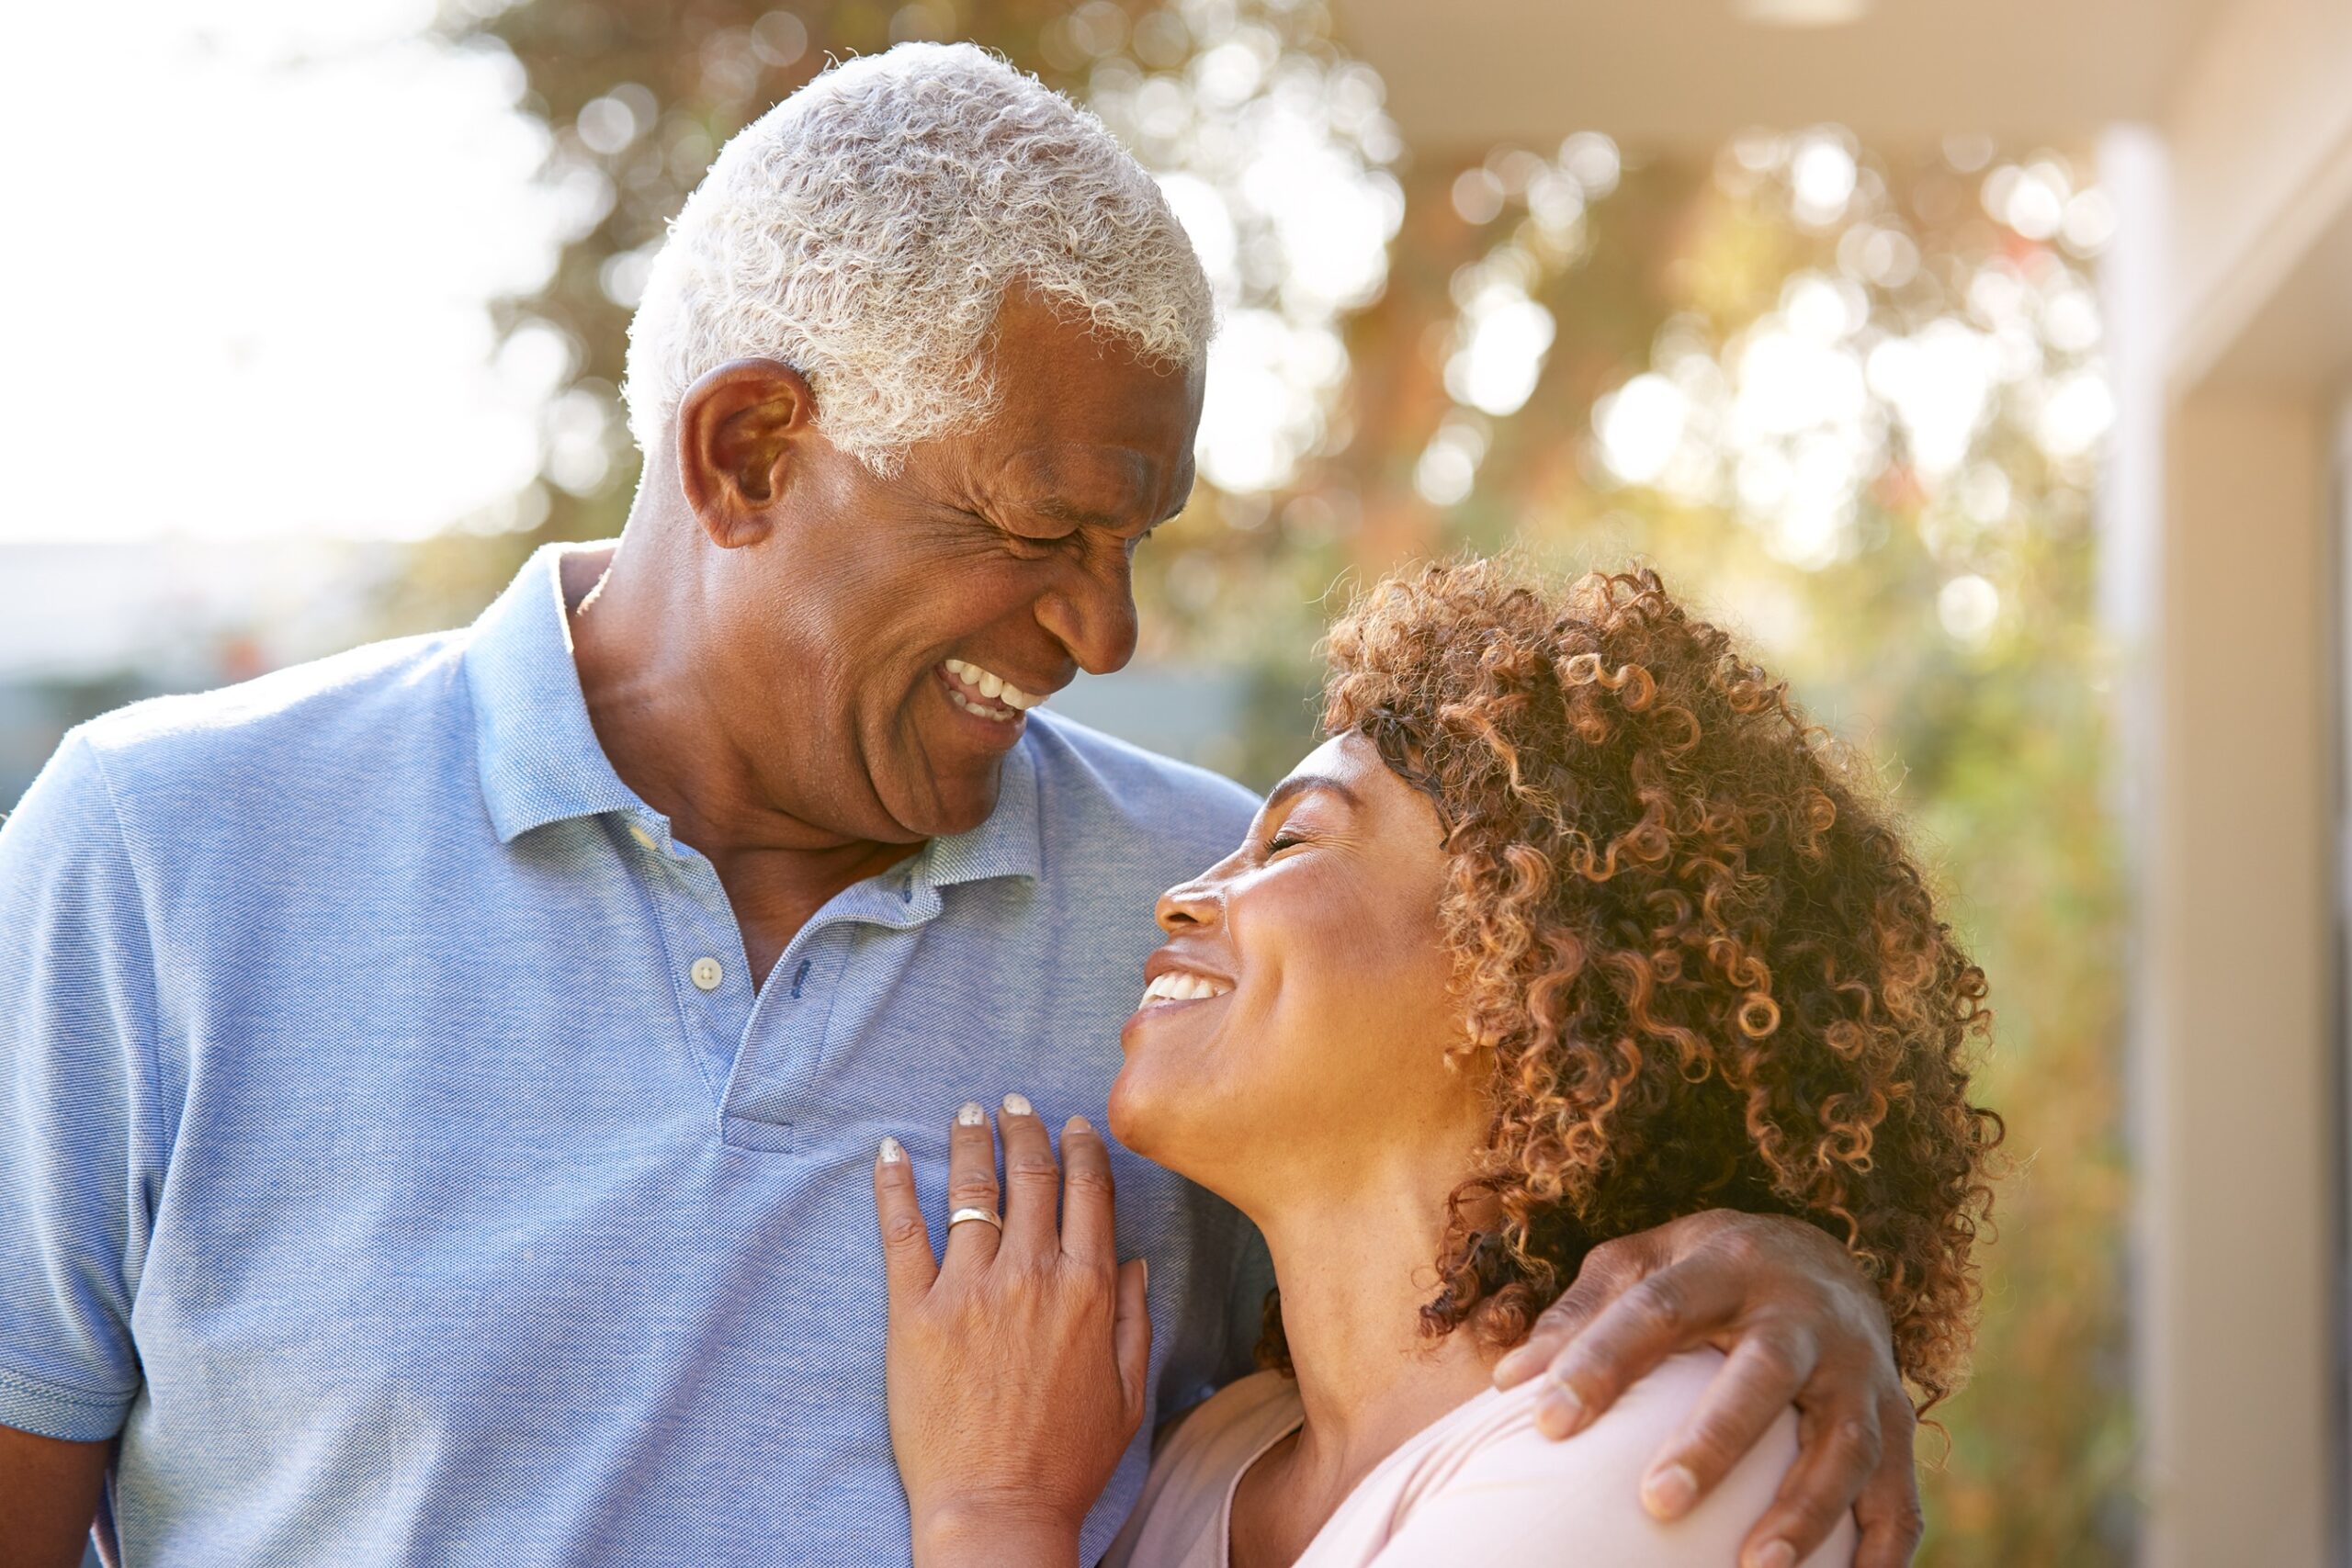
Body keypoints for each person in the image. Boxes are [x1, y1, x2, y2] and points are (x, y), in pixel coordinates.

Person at [0, 46, 1917, 1568]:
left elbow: (1505, 1242)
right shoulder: (159, 859)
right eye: (1040, 528)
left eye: (1135, 539)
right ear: (749, 451)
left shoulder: (1199, 938)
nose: (1105, 625)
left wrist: (1799, 1260)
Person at [874, 563, 2000, 1567]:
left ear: (1525, 960)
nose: (1179, 896)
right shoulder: (1205, 1465)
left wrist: (996, 1516)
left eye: (1295, 840)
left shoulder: (1659, 1450)